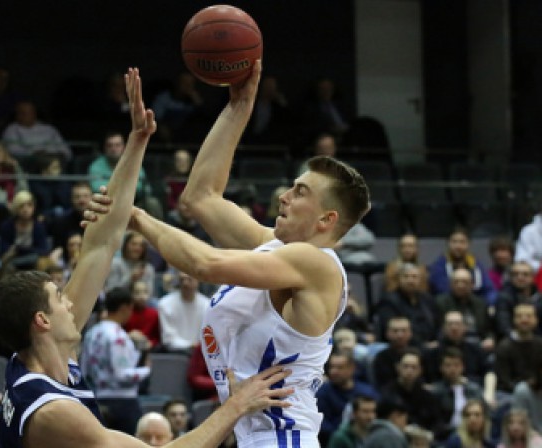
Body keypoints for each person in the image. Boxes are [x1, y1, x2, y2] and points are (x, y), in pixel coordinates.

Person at [0, 68, 293, 448]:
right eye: (59, 298)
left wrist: (137, 141)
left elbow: (100, 244)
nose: (72, 302)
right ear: (42, 320)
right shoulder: (51, 410)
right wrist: (236, 405)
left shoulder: (44, 361)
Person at [88, 60, 371, 448]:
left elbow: (205, 264)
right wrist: (238, 107)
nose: (284, 196)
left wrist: (135, 216)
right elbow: (200, 198)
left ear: (327, 218)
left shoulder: (316, 264)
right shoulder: (275, 248)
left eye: (300, 192)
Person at [80, 287, 150, 435]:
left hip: (98, 399)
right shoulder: (118, 336)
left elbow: (84, 370)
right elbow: (122, 375)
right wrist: (146, 370)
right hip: (122, 402)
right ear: (125, 308)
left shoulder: (91, 333)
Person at [88, 131, 162, 219]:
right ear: (105, 148)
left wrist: (115, 188)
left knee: (152, 203)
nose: (113, 148)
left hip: (133, 202)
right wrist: (125, 186)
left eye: (117, 145)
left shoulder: (133, 162)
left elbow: (140, 186)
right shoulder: (96, 166)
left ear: (123, 147)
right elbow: (96, 187)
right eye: (110, 145)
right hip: (106, 204)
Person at [316, 351, 378, 444]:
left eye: (339, 367)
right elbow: (320, 424)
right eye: (331, 367)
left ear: (352, 368)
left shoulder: (367, 392)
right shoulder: (322, 393)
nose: (333, 371)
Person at [429, 228, 497, 306]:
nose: (458, 246)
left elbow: (488, 289)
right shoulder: (439, 266)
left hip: (473, 306)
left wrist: (488, 303)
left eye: (462, 242)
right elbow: (443, 290)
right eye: (454, 242)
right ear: (448, 244)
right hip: (449, 306)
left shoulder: (476, 264)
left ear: (469, 244)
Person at [1, 100, 72, 162]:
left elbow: (66, 152)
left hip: (53, 162)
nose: (23, 115)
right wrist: (34, 154)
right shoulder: (11, 129)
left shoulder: (49, 129)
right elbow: (13, 151)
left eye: (29, 112)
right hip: (28, 164)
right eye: (22, 113)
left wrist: (50, 154)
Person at [157, 271, 209, 354]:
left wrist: (198, 346)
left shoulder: (207, 305)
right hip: (174, 353)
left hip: (201, 353)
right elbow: (168, 339)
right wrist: (191, 345)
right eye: (182, 280)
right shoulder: (165, 304)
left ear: (198, 280)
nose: (185, 283)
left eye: (189, 279)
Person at [0, 191, 50, 270]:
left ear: (33, 208)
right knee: (7, 266)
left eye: (29, 205)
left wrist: (21, 249)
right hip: (13, 261)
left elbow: (43, 250)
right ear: (16, 208)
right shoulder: (7, 226)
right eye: (22, 206)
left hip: (32, 259)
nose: (25, 209)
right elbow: (3, 251)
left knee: (42, 262)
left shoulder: (38, 226)